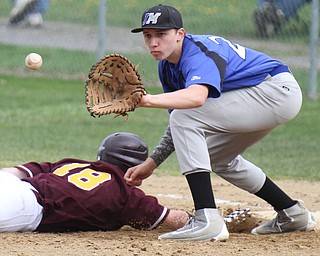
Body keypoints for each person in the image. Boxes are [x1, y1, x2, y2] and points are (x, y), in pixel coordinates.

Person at [124, 4, 317, 241]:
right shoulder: (167, 65)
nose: (154, 42)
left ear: (180, 34)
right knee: (217, 156)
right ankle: (292, 212)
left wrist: (147, 100)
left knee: (185, 116)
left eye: (161, 34)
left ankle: (207, 220)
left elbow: (196, 99)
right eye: (148, 35)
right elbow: (179, 123)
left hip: (275, 91)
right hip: (263, 96)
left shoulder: (197, 52)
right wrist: (152, 163)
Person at [0, 132, 189, 232]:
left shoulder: (72, 163)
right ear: (136, 168)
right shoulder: (125, 195)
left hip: (12, 184)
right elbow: (171, 219)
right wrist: (201, 218)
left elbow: (15, 172)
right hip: (27, 207)